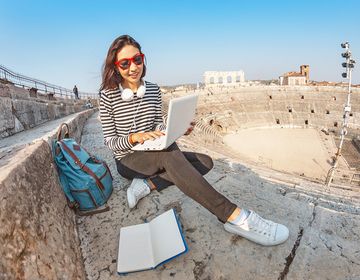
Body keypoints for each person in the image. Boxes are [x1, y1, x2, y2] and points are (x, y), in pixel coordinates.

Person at [99, 35, 289, 246]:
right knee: (169, 154)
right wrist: (134, 138)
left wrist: (176, 128)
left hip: (153, 151)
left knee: (204, 162)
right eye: (124, 63)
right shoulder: (107, 95)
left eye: (137, 59)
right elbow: (110, 142)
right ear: (115, 67)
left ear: (143, 59)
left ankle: (148, 184)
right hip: (128, 159)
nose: (133, 67)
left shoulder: (152, 89)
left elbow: (157, 125)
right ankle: (235, 217)